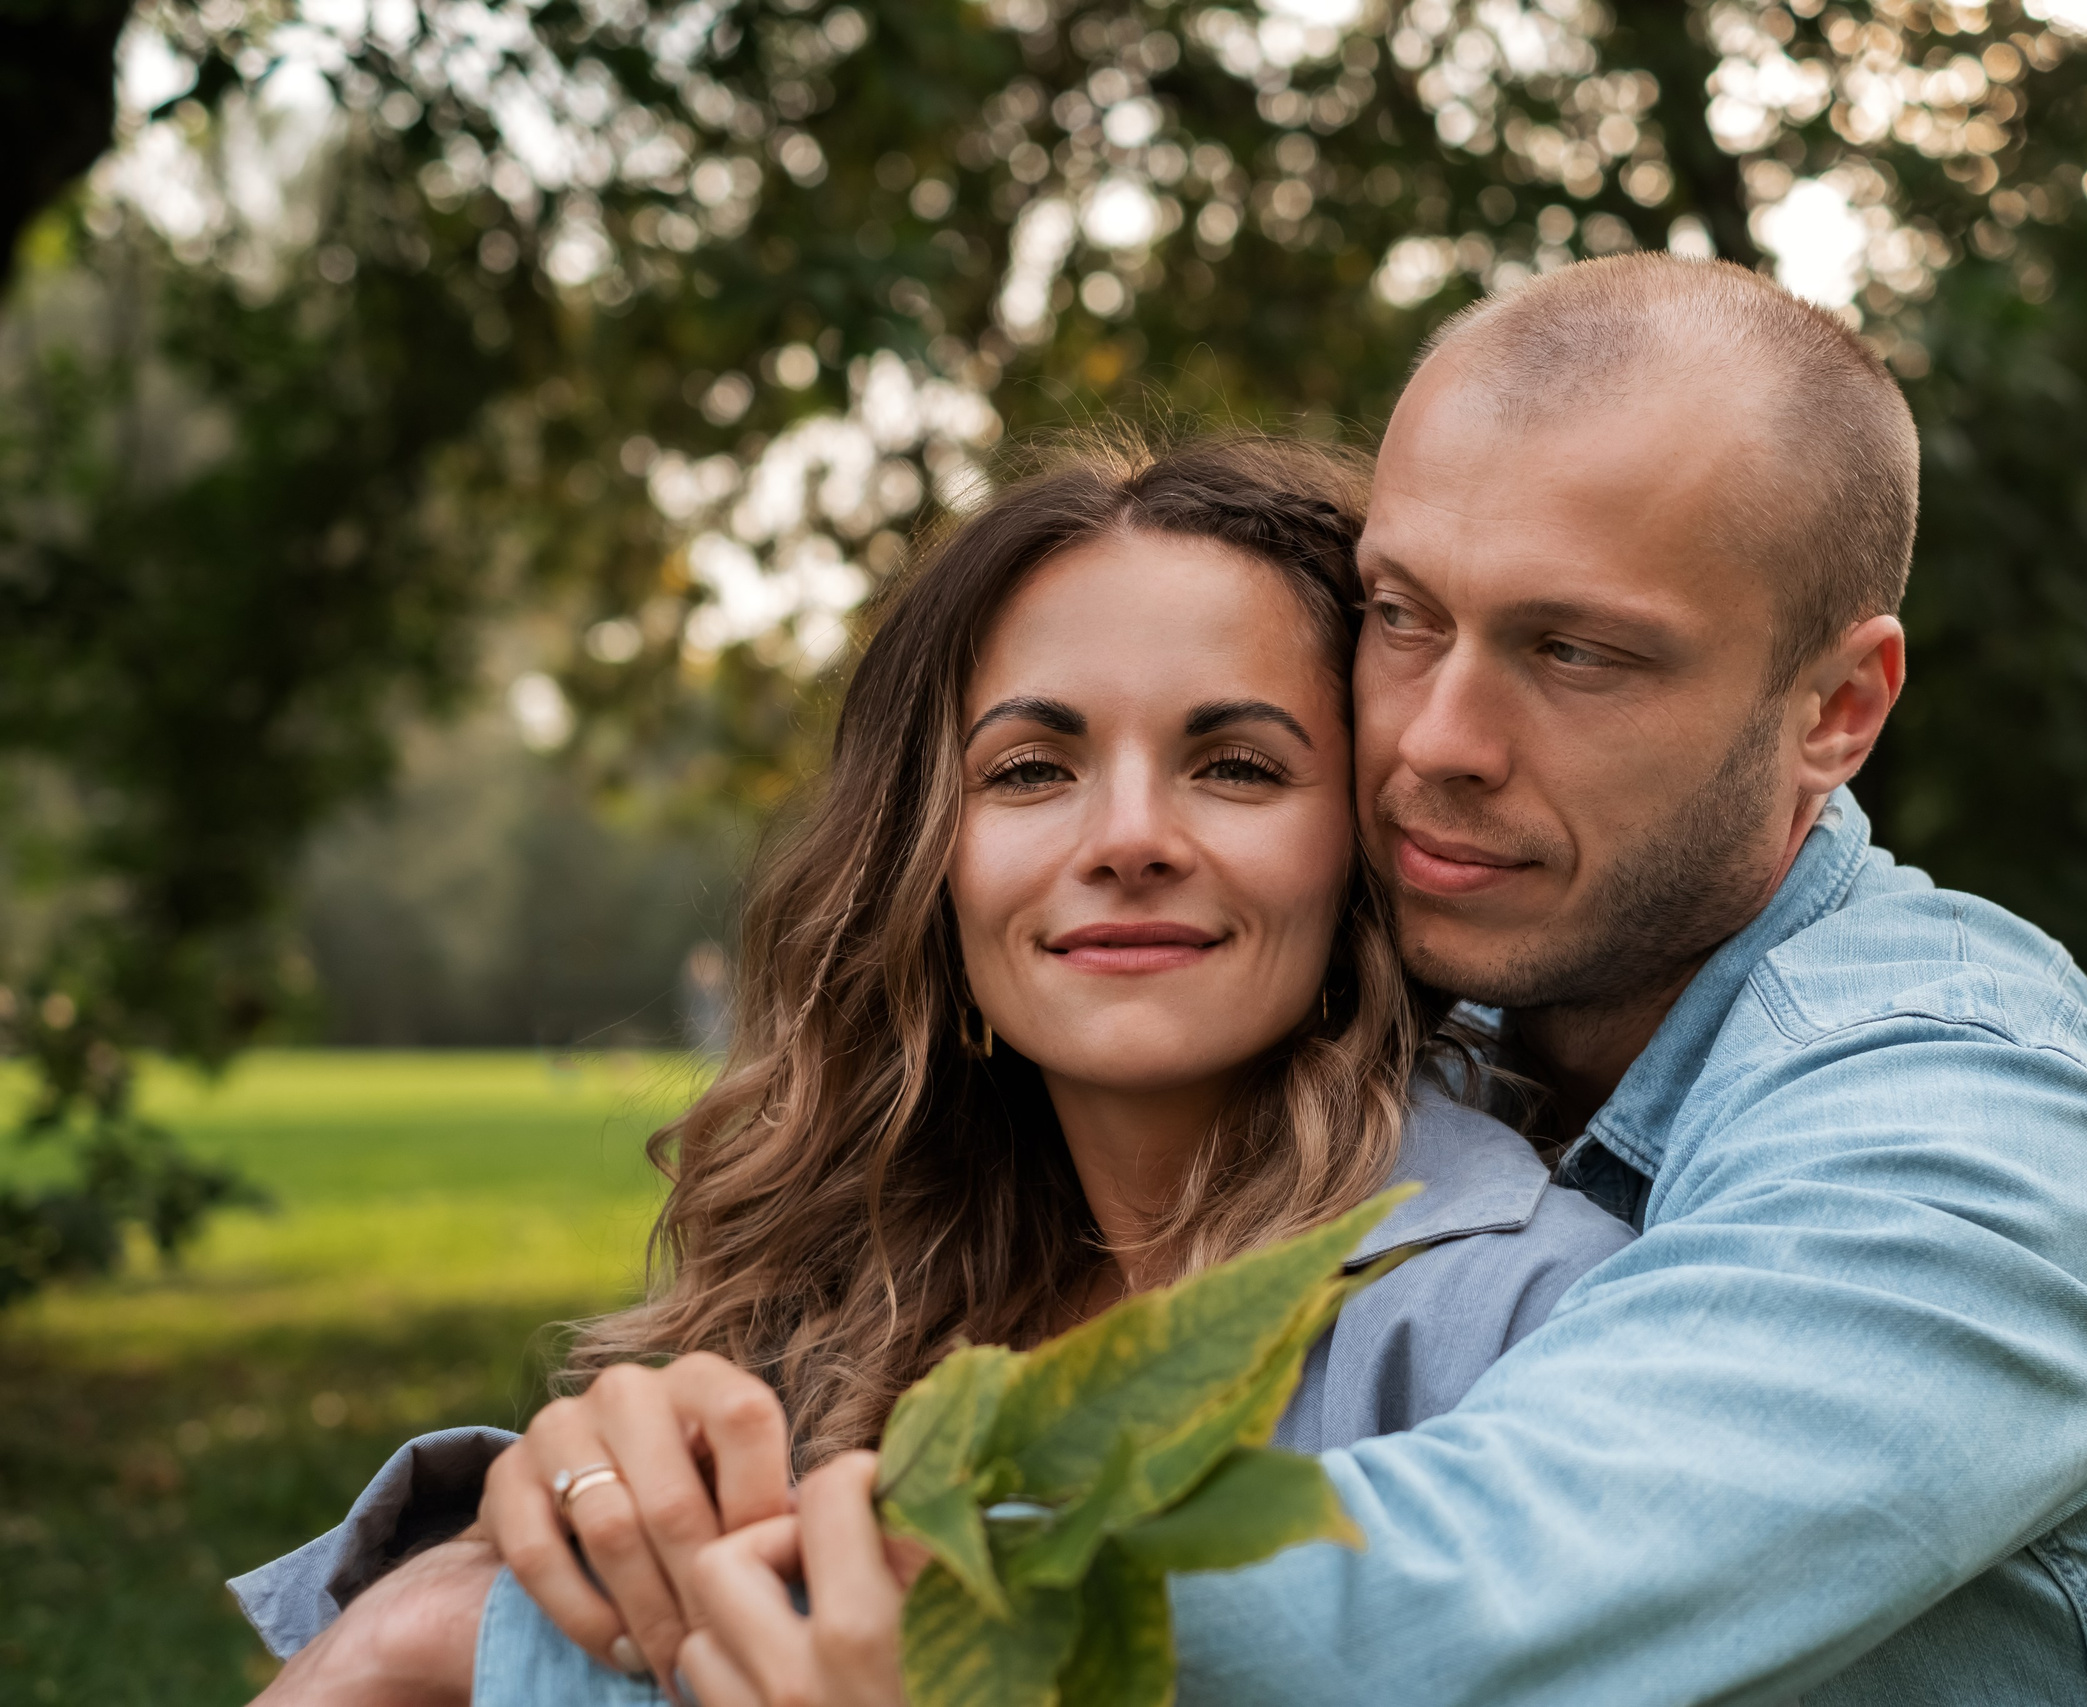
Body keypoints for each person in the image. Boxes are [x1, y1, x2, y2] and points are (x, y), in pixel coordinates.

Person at [243, 252, 2087, 1705]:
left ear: (1839, 710)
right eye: (1403, 614)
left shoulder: (1964, 1125)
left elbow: (1447, 1604)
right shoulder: (1456, 1017)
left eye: (1576, 652)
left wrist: (501, 1639)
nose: (1433, 738)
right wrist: (601, 1490)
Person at [227, 434, 1631, 1702]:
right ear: (927, 862)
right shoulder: (866, 1296)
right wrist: (561, 1530)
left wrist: (439, 1642)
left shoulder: (1523, 1324)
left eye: (1238, 767)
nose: (1127, 838)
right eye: (1029, 770)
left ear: (1365, 848)